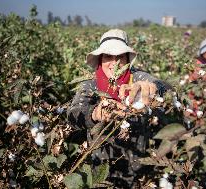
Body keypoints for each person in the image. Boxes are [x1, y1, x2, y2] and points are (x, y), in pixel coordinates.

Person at [67, 29, 171, 187]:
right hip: (99, 169)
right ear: (100, 59)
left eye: (120, 56)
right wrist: (95, 114)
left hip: (135, 168)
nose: (114, 63)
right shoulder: (90, 85)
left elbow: (164, 87)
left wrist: (153, 88)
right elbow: (73, 114)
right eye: (108, 56)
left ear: (128, 59)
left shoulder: (137, 78)